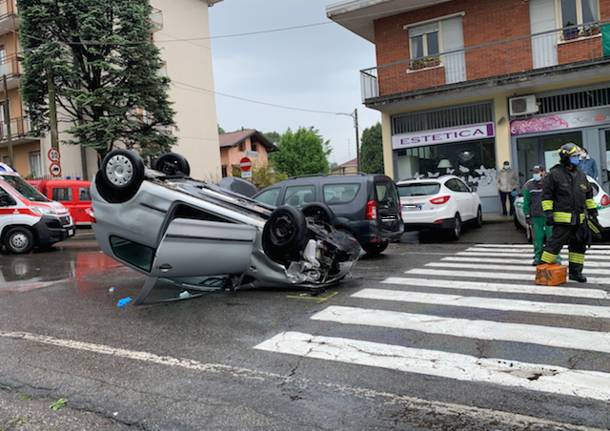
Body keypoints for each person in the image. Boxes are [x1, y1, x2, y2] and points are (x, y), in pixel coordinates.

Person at [540, 143, 598, 283]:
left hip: (580, 220)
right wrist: (548, 213)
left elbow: (588, 194)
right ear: (565, 157)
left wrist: (593, 211)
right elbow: (546, 196)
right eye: (575, 156)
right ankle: (543, 271)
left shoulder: (581, 175)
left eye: (578, 156)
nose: (578, 158)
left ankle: (575, 273)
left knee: (578, 247)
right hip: (563, 221)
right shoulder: (554, 174)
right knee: (553, 247)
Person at [523, 166, 556, 266]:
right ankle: (538, 257)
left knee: (552, 238)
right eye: (534, 172)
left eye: (537, 172)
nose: (535, 174)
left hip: (548, 215)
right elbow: (526, 201)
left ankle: (554, 257)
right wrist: (527, 215)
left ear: (543, 172)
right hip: (536, 216)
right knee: (538, 238)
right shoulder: (529, 185)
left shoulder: (550, 183)